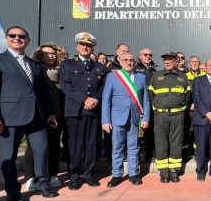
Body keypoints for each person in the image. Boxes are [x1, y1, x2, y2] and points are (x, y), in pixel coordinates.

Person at [0, 26, 58, 201]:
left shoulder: (34, 65)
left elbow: (44, 92)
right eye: (13, 35)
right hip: (10, 117)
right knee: (8, 156)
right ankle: (13, 191)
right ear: (7, 38)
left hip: (37, 116)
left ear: (28, 40)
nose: (17, 38)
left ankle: (42, 183)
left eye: (21, 36)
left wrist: (51, 113)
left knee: (42, 150)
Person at [59, 33, 106, 190]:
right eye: (82, 44)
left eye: (89, 45)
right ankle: (74, 174)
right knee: (74, 144)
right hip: (74, 111)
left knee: (91, 144)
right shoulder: (68, 64)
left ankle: (88, 174)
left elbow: (102, 88)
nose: (85, 47)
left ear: (93, 48)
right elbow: (65, 86)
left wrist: (95, 100)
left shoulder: (99, 67)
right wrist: (84, 99)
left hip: (93, 111)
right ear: (77, 46)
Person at [101, 52, 150, 186]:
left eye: (131, 60)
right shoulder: (112, 76)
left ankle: (134, 173)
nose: (129, 62)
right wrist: (105, 120)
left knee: (134, 147)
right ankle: (117, 174)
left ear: (134, 62)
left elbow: (145, 100)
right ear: (120, 61)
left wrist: (146, 117)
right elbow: (106, 99)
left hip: (135, 119)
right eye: (125, 60)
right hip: (117, 118)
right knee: (117, 148)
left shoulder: (141, 77)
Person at [28, 43, 66, 188]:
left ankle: (53, 174)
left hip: (57, 113)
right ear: (39, 55)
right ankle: (32, 177)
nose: (51, 55)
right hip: (38, 113)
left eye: (53, 53)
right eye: (46, 53)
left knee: (54, 145)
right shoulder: (34, 69)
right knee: (35, 148)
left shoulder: (61, 71)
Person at [149, 52, 190, 183]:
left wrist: (181, 108)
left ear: (176, 61)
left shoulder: (183, 77)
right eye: (165, 59)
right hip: (160, 115)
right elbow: (151, 95)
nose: (167, 61)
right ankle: (163, 172)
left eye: (170, 59)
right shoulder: (156, 76)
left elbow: (187, 96)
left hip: (178, 115)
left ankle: (174, 170)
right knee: (161, 143)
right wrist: (156, 108)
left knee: (176, 142)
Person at [136, 47, 157, 163]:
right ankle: (137, 155)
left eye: (150, 55)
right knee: (139, 132)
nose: (148, 56)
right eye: (145, 54)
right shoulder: (136, 68)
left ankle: (149, 154)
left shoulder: (155, 71)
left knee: (150, 132)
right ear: (140, 56)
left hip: (152, 105)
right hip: (140, 106)